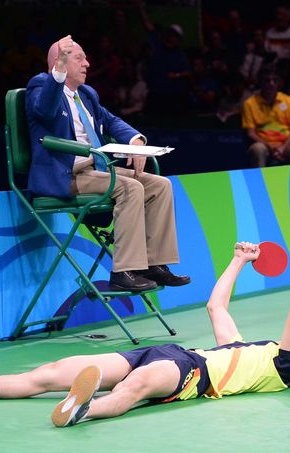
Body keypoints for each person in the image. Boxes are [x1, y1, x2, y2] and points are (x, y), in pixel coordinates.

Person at [0, 238, 290, 427]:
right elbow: (216, 305)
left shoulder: (286, 364)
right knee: (53, 370)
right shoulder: (247, 356)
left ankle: (85, 410)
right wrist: (239, 261)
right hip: (177, 352)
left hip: (191, 378)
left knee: (138, 387)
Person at [26, 35, 190, 292]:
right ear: (61, 63)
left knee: (160, 185)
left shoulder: (87, 94)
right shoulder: (41, 86)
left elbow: (111, 121)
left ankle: (154, 264)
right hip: (65, 175)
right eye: (80, 58)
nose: (87, 64)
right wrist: (56, 71)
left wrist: (136, 141)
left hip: (96, 170)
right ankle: (123, 271)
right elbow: (45, 111)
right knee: (130, 188)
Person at [242, 65, 290, 168]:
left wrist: (282, 148)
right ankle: (258, 183)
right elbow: (251, 133)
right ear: (260, 82)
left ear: (279, 82)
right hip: (264, 145)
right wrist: (270, 146)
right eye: (267, 80)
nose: (271, 84)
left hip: (286, 146)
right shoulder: (249, 103)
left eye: (275, 80)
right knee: (257, 149)